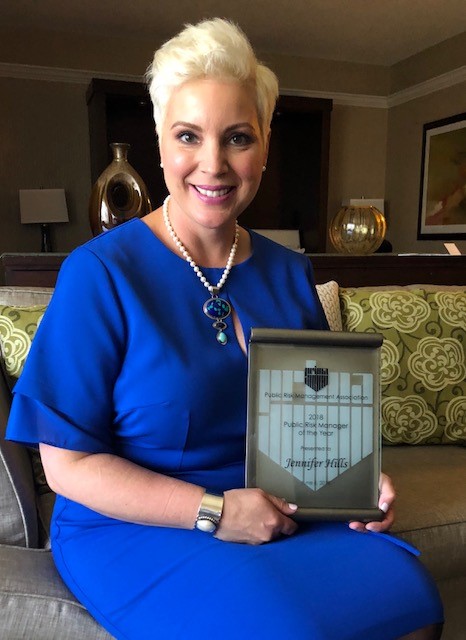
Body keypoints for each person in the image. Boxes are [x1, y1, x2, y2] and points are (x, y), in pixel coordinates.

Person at [6, 18, 443, 640]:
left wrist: (354, 482)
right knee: (285, 629)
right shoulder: (99, 274)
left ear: (264, 147)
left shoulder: (290, 272)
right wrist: (214, 512)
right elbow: (67, 466)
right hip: (134, 525)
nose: (213, 164)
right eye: (188, 135)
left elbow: (313, 429)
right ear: (161, 144)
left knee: (410, 599)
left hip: (274, 511)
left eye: (237, 137)